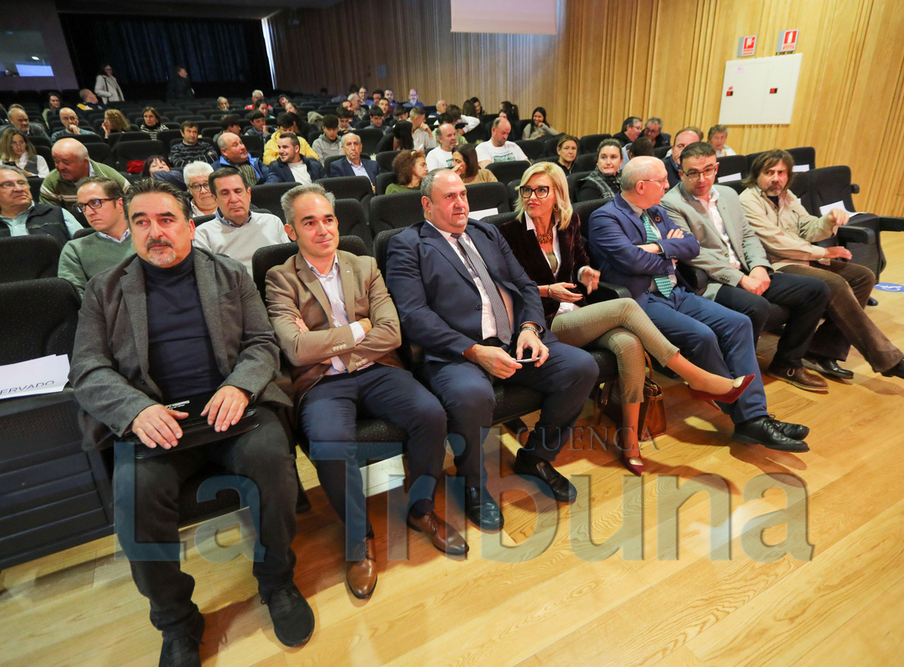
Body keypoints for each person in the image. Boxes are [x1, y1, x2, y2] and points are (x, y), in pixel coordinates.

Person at [69, 178, 314, 665]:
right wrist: (136, 410)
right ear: (131, 227)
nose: (154, 231)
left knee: (272, 461)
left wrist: (240, 386)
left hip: (230, 409)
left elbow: (262, 343)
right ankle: (177, 621)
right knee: (134, 497)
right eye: (142, 221)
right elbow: (88, 368)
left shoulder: (228, 275)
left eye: (166, 220)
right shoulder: (105, 289)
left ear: (188, 225)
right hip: (157, 420)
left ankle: (277, 581)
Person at [265, 184, 465, 599]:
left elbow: (391, 334)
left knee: (431, 414)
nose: (323, 229)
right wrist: (360, 328)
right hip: (323, 382)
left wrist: (330, 340)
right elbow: (297, 350)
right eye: (309, 222)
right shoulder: (280, 278)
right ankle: (359, 541)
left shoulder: (365, 264)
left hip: (378, 371)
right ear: (291, 231)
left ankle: (421, 511)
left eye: (329, 219)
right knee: (329, 441)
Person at [385, 169, 600, 530]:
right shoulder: (408, 244)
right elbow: (413, 316)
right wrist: (472, 350)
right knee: (471, 396)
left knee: (581, 368)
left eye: (463, 195)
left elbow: (525, 286)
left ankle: (536, 458)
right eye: (449, 197)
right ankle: (472, 483)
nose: (460, 203)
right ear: (427, 204)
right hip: (456, 353)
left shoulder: (486, 232)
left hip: (514, 340)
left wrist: (531, 329)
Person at [501, 162, 748, 472]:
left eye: (541, 190)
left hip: (579, 311)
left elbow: (579, 261)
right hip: (543, 320)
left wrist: (584, 271)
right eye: (527, 190)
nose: (532, 196)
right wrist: (548, 291)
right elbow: (506, 289)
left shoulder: (568, 223)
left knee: (629, 343)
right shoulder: (508, 232)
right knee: (627, 306)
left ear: (559, 195)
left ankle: (629, 439)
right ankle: (694, 375)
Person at [588, 157, 812, 452]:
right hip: (642, 302)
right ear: (641, 186)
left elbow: (691, 246)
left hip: (677, 292)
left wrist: (658, 247)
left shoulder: (655, 211)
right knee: (702, 335)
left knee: (739, 323)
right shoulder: (605, 218)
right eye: (661, 181)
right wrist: (669, 252)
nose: (668, 185)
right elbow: (631, 260)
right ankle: (752, 419)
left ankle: (753, 418)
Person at [739, 149, 904, 381]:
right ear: (756, 175)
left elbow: (807, 228)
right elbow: (776, 243)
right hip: (775, 266)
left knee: (863, 276)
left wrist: (829, 220)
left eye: (782, 172)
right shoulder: (747, 201)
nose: (776, 178)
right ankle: (889, 359)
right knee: (835, 282)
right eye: (769, 172)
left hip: (803, 258)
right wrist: (824, 251)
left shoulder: (787, 196)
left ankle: (821, 349)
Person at [662, 142, 831, 392]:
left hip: (745, 271)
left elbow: (748, 236)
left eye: (707, 170)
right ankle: (732, 377)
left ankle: (787, 363)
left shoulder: (727, 194)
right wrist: (741, 279)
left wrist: (759, 267)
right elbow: (693, 253)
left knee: (817, 289)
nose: (701, 178)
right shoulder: (671, 203)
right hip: (710, 281)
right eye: (693, 173)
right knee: (756, 305)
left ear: (716, 168)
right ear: (681, 173)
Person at [193, 168, 289, 274]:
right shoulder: (203, 234)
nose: (234, 199)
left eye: (238, 191)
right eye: (225, 194)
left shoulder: (272, 221)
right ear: (215, 199)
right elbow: (208, 279)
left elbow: (289, 263)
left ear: (248, 194)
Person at [58, 176, 135, 296]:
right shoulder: (75, 250)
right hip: (104, 313)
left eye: (95, 203)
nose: (88, 212)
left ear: (120, 204)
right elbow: (74, 299)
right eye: (82, 206)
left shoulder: (150, 237)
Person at [0, 165, 82, 243]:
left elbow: (83, 248)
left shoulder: (57, 214)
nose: (19, 189)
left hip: (54, 278)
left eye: (22, 183)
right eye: (8, 185)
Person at [42, 138, 129, 216]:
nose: (60, 167)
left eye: (66, 162)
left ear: (85, 163)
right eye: (56, 162)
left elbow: (131, 210)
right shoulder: (51, 182)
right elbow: (51, 218)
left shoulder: (112, 178)